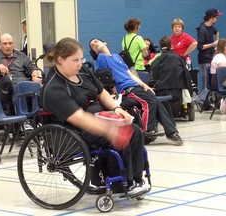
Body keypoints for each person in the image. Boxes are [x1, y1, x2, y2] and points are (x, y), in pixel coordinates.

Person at [40, 37, 150, 196]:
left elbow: (100, 91)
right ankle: (124, 183)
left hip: (100, 116)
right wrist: (109, 130)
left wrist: (116, 108)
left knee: (135, 130)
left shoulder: (82, 71)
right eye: (75, 60)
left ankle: (135, 180)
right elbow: (78, 118)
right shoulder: (54, 89)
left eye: (81, 59)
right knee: (123, 134)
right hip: (76, 130)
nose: (80, 63)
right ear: (60, 60)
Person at [89, 38, 183, 145]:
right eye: (92, 45)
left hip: (135, 87)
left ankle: (172, 132)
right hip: (126, 90)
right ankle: (146, 132)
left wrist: (144, 85)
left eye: (96, 41)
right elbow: (106, 80)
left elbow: (130, 74)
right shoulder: (101, 58)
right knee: (150, 101)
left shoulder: (117, 57)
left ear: (104, 42)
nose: (94, 44)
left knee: (156, 100)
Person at [0, 33, 42, 112]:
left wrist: (34, 76)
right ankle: (21, 115)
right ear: (0, 45)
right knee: (17, 87)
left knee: (37, 86)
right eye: (5, 44)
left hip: (24, 82)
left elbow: (32, 67)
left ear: (13, 44)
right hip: (7, 85)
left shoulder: (21, 55)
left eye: (10, 43)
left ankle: (36, 114)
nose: (8, 46)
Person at [150, 35, 193, 118]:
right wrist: (189, 90)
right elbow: (186, 76)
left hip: (162, 89)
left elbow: (153, 76)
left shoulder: (157, 60)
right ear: (171, 45)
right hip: (177, 89)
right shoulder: (179, 58)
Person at [196, 8, 223, 110]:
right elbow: (200, 47)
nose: (217, 19)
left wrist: (216, 45)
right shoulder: (202, 29)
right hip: (205, 58)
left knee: (209, 81)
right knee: (207, 82)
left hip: (211, 57)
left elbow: (217, 33)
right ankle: (200, 100)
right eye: (216, 17)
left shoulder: (212, 27)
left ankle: (206, 104)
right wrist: (213, 44)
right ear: (211, 17)